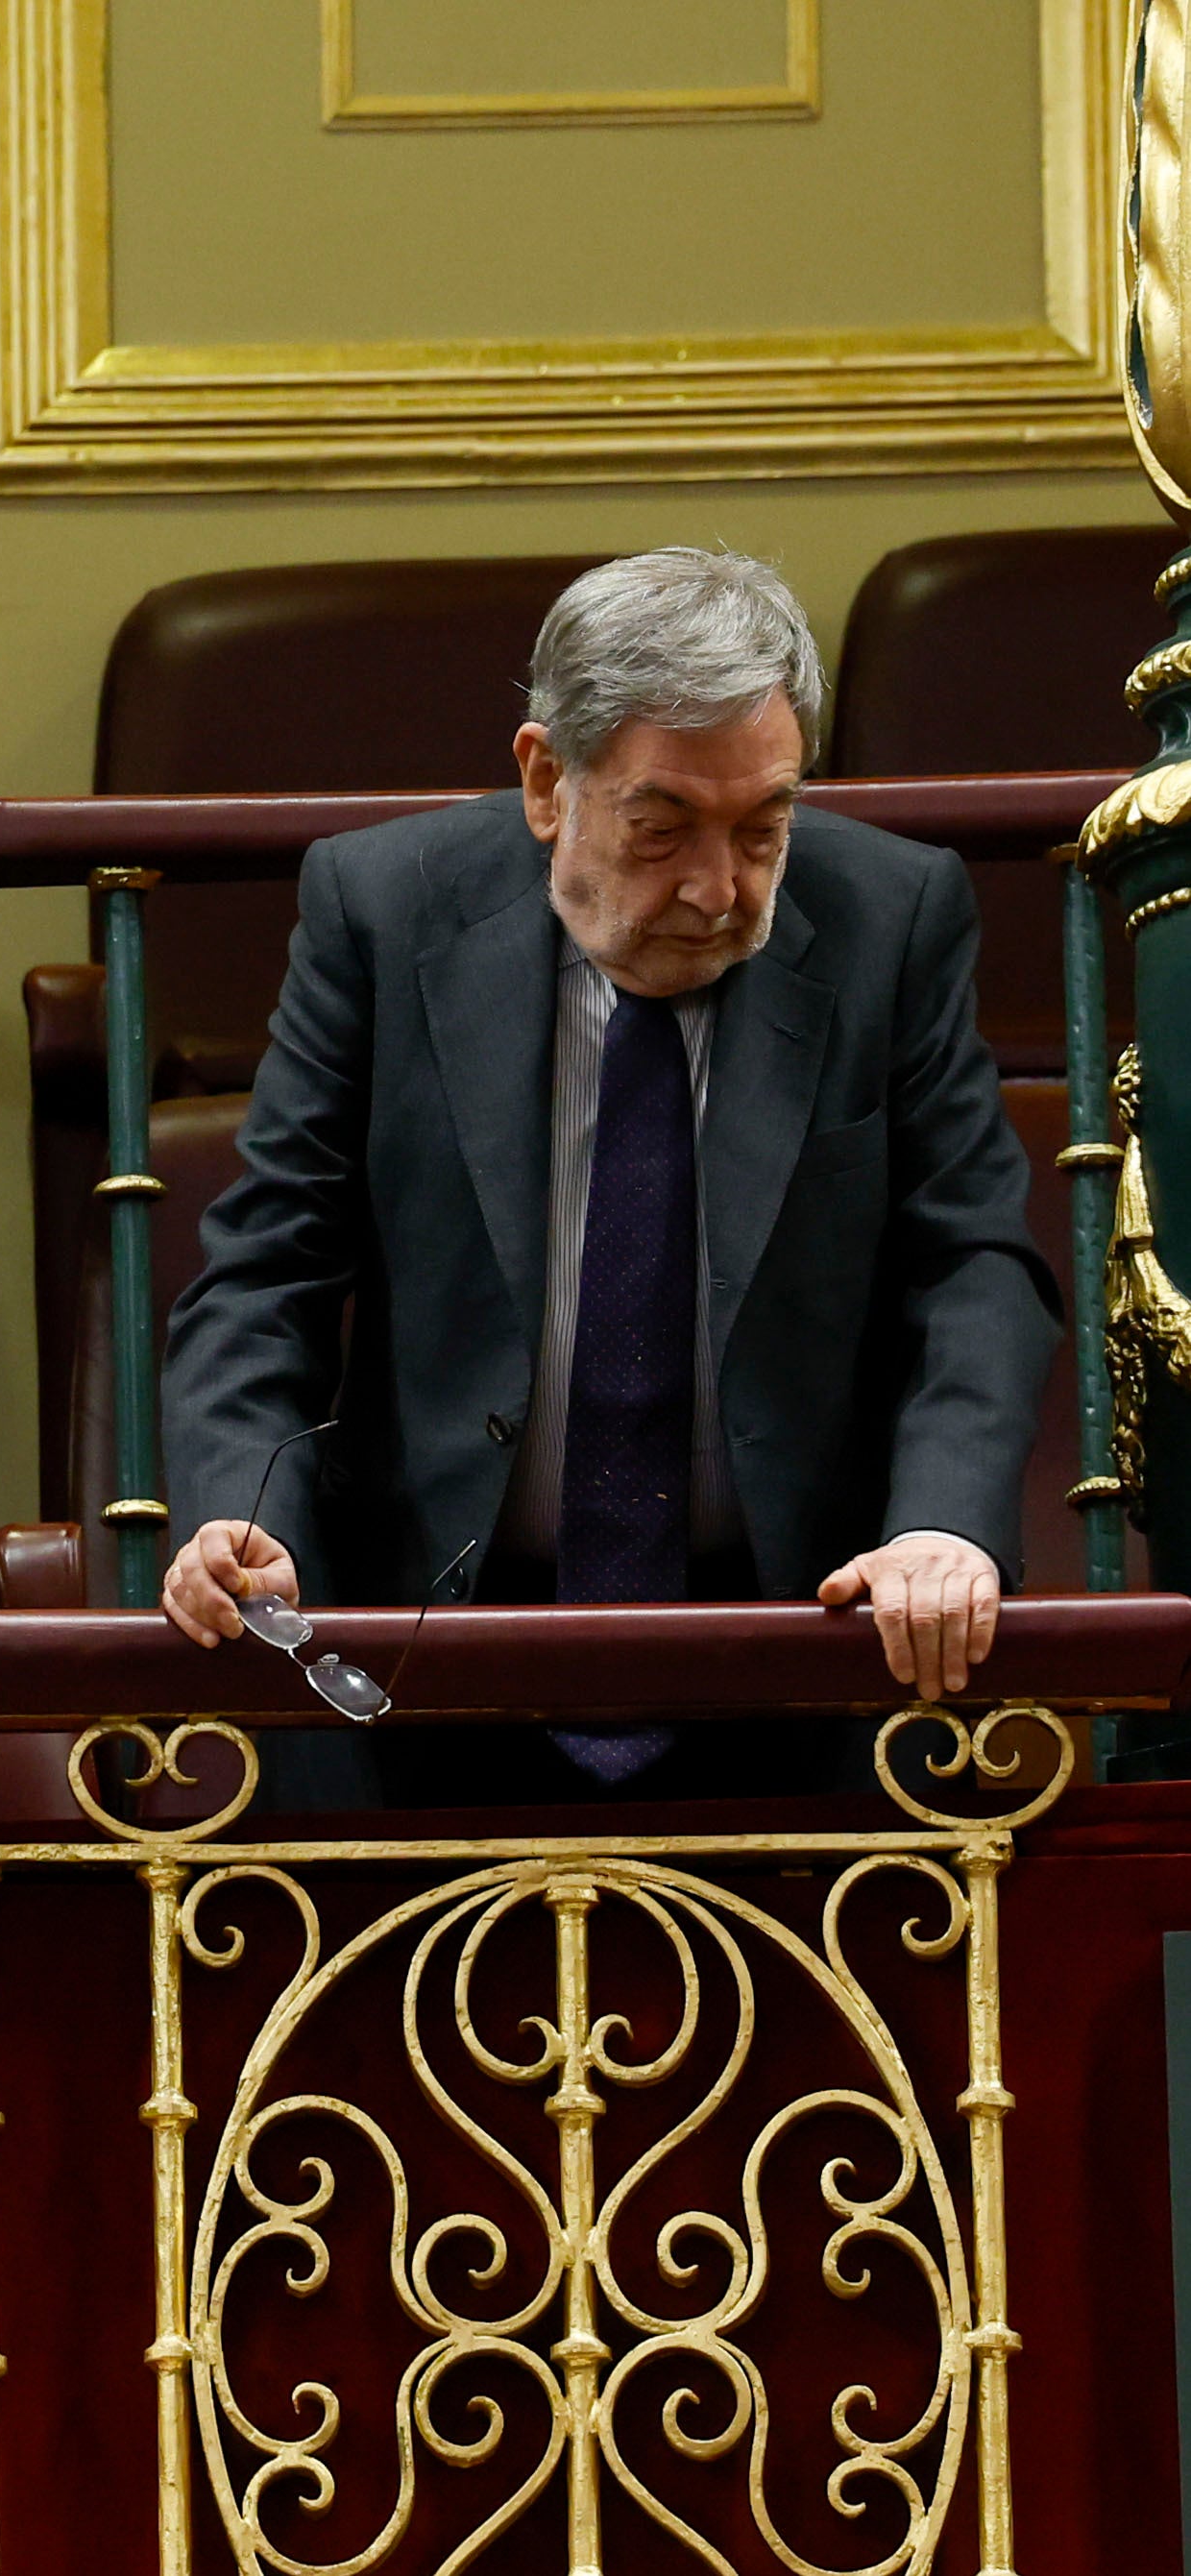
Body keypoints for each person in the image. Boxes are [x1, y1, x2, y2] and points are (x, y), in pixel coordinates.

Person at [158, 547, 1059, 1806]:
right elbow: (265, 1274)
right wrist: (237, 1513)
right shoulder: (383, 907)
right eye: (660, 829)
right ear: (547, 782)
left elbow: (972, 1263)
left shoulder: (888, 915)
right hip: (425, 1646)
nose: (718, 888)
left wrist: (942, 1525)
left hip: (803, 1638)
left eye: (763, 829)